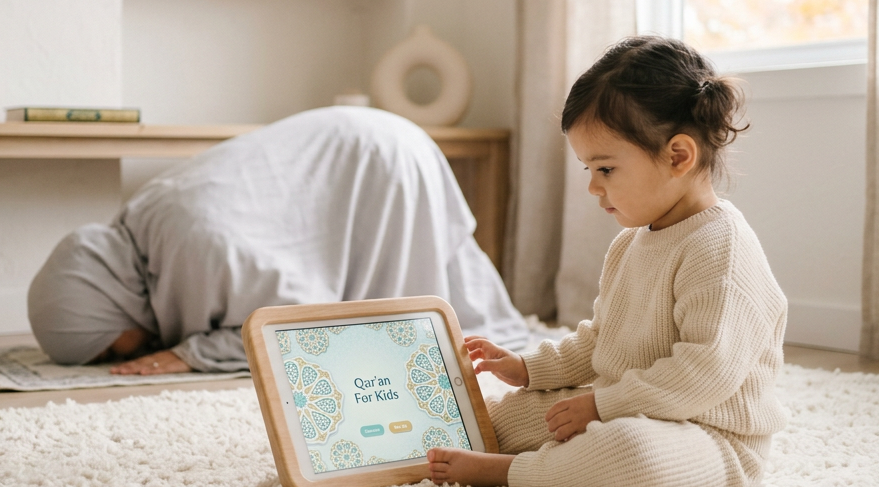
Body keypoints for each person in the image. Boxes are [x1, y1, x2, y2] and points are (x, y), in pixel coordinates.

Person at [427, 36, 789, 487]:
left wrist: (601, 407)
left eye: (605, 168)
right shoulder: (631, 243)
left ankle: (511, 472)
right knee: (508, 416)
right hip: (629, 405)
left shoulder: (720, 250)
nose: (593, 187)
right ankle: (477, 446)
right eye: (588, 168)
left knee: (627, 456)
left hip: (709, 436)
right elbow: (601, 341)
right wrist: (527, 369)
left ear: (679, 156)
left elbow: (704, 374)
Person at [27, 106, 530, 374]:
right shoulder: (144, 224)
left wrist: (195, 353)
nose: (120, 357)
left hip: (378, 160)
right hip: (374, 137)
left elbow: (300, 322)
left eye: (109, 351)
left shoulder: (200, 250)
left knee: (398, 341)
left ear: (102, 301)